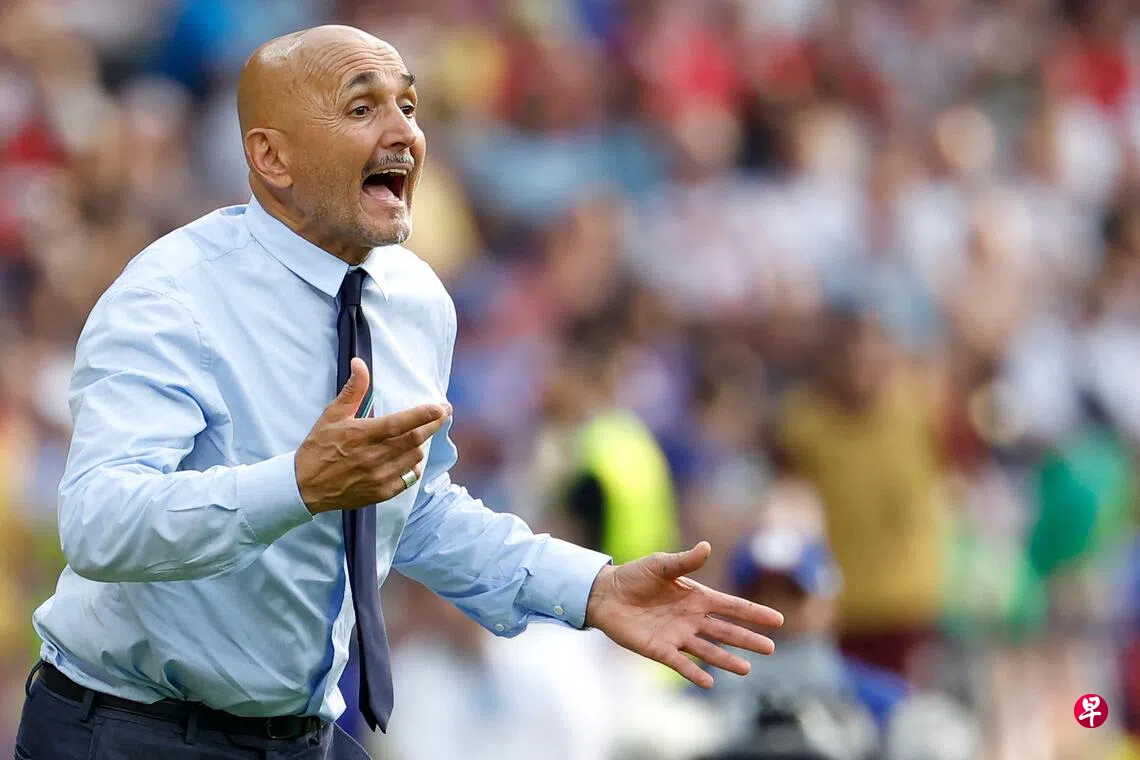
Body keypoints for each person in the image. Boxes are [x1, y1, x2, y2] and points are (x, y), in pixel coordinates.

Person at [13, 25, 783, 760]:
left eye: (408, 106)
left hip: (298, 736)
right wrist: (297, 486)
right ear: (272, 157)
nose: (405, 133)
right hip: (126, 730)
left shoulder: (415, 299)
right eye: (362, 108)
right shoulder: (170, 295)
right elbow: (99, 522)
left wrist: (590, 588)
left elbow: (413, 510)